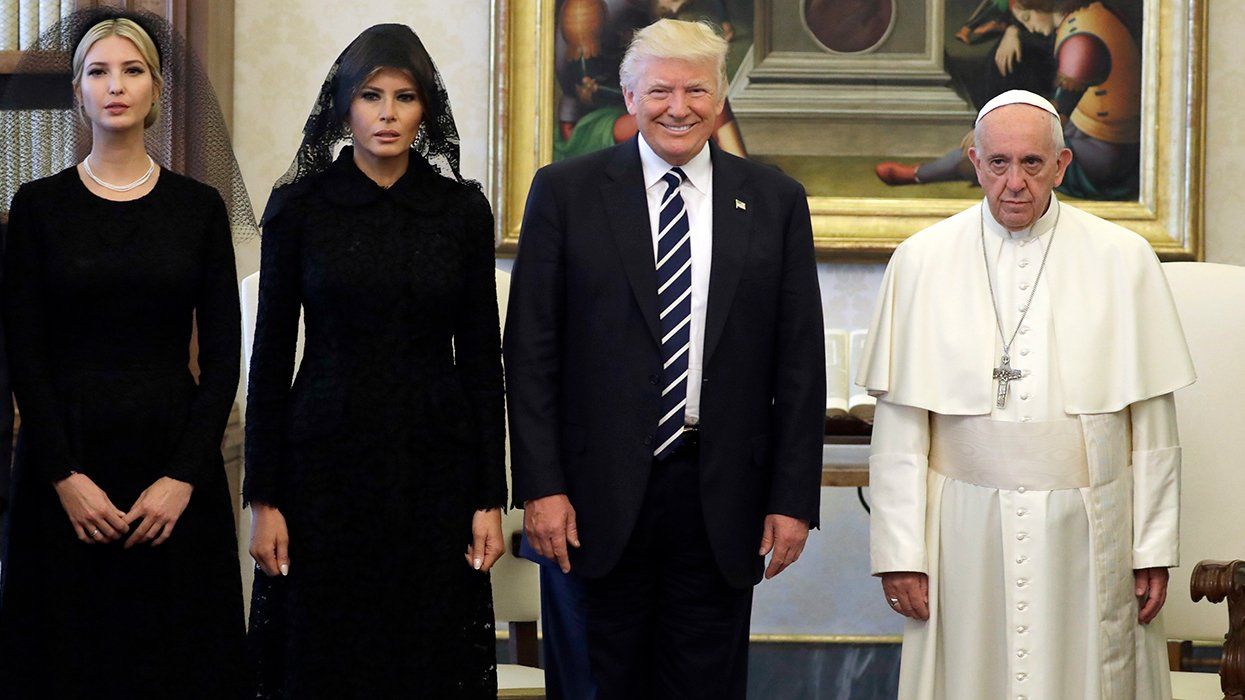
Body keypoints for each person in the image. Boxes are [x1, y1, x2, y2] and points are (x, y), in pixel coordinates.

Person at [505, 19, 825, 699]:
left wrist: (793, 499)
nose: (678, 107)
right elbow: (530, 354)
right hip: (586, 502)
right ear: (628, 97)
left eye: (695, 90)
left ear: (720, 97)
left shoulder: (775, 200)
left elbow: (799, 364)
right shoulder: (564, 192)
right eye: (659, 91)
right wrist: (541, 487)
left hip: (721, 502)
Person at [859, 89, 1193, 699]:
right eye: (998, 163)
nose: (1014, 183)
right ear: (974, 161)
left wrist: (1151, 547)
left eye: (1032, 163)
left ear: (1061, 165)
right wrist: (901, 552)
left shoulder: (1123, 259)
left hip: (1089, 530)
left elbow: (1152, 426)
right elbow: (901, 431)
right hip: (962, 535)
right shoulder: (921, 261)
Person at [243, 24, 507, 698]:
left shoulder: (461, 209)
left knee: (428, 659)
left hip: (435, 466)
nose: (387, 113)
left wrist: (489, 497)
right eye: (370, 95)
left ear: (425, 111)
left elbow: (483, 359)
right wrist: (262, 498)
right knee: (324, 658)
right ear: (343, 108)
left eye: (404, 97)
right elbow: (270, 357)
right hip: (322, 467)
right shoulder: (300, 207)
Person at [0, 10, 248, 698]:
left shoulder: (198, 208)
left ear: (156, 89)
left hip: (170, 466)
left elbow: (223, 358)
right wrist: (64, 478)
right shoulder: (37, 207)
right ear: (78, 92)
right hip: (64, 465)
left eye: (132, 70)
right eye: (98, 72)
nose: (115, 86)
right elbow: (24, 355)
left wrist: (182, 479)